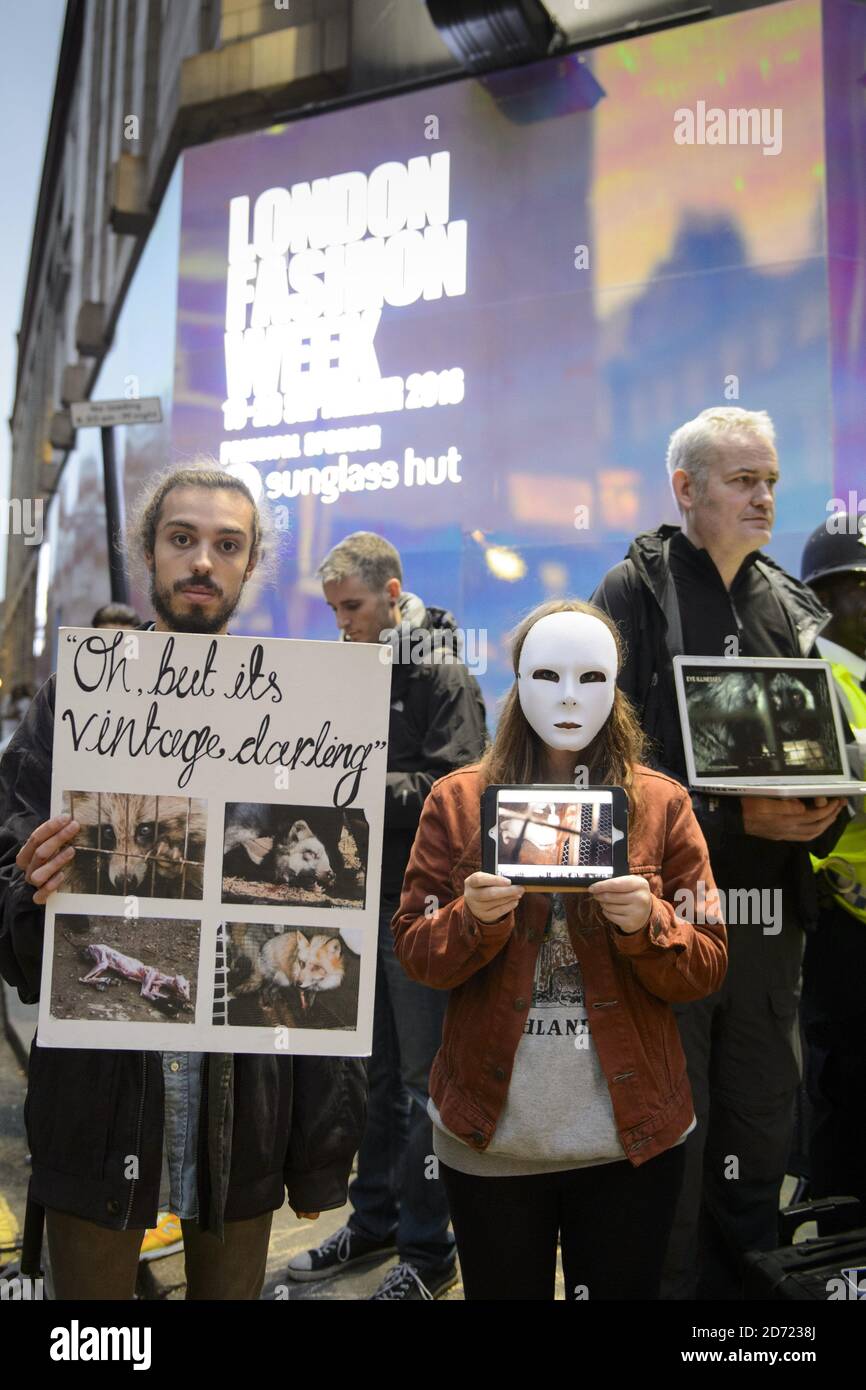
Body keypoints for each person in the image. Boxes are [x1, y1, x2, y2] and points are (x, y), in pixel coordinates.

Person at [0, 464, 366, 1301]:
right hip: (99, 1095)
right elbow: (3, 874)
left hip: (242, 1101)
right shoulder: (73, 703)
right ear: (149, 555)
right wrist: (30, 884)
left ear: (249, 564)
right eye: (182, 539)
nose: (203, 560)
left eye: (225, 545)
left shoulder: (300, 706)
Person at [390, 600, 726, 1300]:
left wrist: (651, 924)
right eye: (546, 675)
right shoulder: (458, 802)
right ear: (516, 684)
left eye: (591, 677)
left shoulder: (661, 804)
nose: (570, 697)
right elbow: (416, 951)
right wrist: (471, 920)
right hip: (491, 1138)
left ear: (616, 687)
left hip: (630, 1138)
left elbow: (707, 963)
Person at [592, 406, 849, 1299]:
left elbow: (830, 760)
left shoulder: (791, 606)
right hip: (669, 918)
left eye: (772, 480)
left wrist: (825, 813)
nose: (766, 497)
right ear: (686, 489)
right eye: (745, 481)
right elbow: (604, 773)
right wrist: (740, 825)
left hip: (771, 920)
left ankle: (744, 1332)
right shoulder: (630, 596)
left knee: (759, 1128)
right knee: (673, 1136)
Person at [286, 531, 487, 1300]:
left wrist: (353, 783)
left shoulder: (442, 672)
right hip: (356, 900)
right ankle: (374, 1223)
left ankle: (429, 1250)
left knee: (419, 1082)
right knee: (371, 1075)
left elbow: (455, 786)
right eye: (335, 609)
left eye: (354, 607)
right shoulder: (356, 668)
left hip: (422, 908)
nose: (343, 623)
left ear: (393, 593)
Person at [799, 512, 866, 1205]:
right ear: (829, 596)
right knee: (841, 1093)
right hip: (841, 923)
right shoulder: (806, 678)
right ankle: (840, 1258)